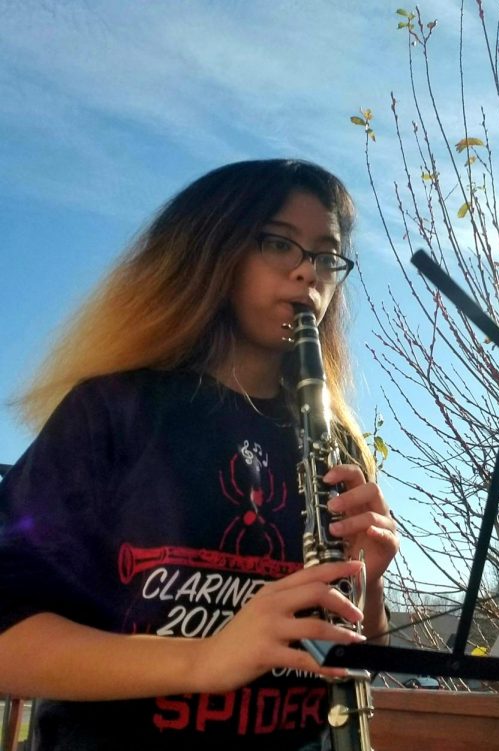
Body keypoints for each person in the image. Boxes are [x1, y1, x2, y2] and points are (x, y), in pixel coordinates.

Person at [0, 159, 400, 750]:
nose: (305, 272)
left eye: (324, 256)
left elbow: (336, 657)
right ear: (211, 251)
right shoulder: (115, 410)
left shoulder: (334, 443)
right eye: (277, 242)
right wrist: (205, 660)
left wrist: (365, 586)